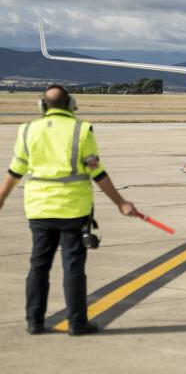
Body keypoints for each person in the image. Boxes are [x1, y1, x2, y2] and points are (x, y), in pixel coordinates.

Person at [0, 85, 138, 336]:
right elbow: (97, 172)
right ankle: (77, 323)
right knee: (73, 267)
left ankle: (34, 321)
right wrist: (121, 203)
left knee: (38, 266)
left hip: (39, 210)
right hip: (73, 211)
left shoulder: (27, 130)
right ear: (71, 104)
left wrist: (1, 199)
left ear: (42, 106)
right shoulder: (81, 130)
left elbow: (15, 171)